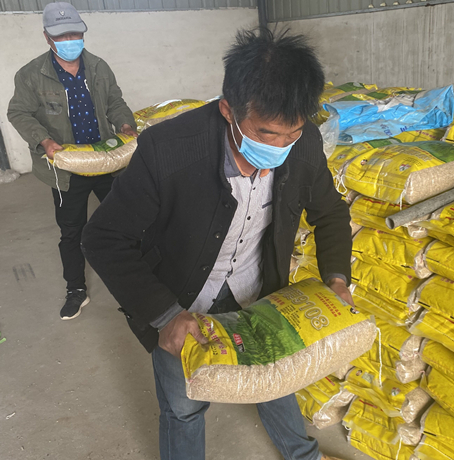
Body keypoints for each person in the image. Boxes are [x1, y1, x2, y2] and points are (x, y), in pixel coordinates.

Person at [81, 28, 352, 460]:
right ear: (228, 110)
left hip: (257, 288)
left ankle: (303, 454)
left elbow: (331, 212)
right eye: (267, 134)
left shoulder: (305, 145)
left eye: (292, 134)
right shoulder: (168, 150)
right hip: (180, 296)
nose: (280, 147)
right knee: (184, 407)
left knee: (276, 377)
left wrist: (336, 279)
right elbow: (103, 238)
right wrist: (165, 315)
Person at [7, 2, 137, 320]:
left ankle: (137, 283)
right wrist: (43, 139)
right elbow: (18, 112)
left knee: (127, 221)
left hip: (105, 160)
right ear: (47, 37)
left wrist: (124, 124)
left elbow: (115, 101)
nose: (69, 40)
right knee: (71, 231)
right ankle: (76, 289)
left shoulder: (99, 67)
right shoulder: (31, 75)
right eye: (61, 35)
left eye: (74, 33)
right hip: (66, 167)